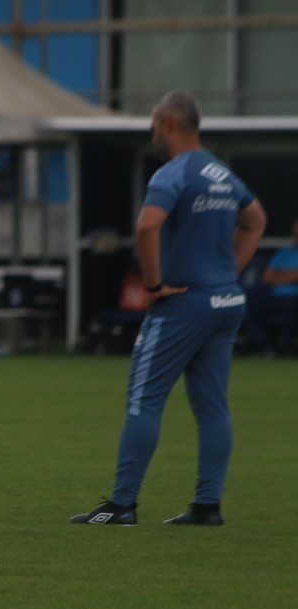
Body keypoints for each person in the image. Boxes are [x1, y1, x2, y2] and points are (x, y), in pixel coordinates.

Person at [71, 91, 267, 527]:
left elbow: (146, 226)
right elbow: (256, 220)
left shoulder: (172, 173)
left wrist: (154, 285)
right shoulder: (221, 172)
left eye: (155, 124)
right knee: (212, 407)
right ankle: (207, 507)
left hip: (182, 304)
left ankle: (122, 505)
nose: (154, 131)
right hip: (225, 302)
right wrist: (227, 273)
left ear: (168, 125)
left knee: (144, 400)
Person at [259, 218, 298, 355]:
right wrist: (293, 276)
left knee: (291, 306)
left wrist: (281, 276)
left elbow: (274, 277)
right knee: (251, 304)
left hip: (294, 299)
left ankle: (284, 346)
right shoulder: (284, 252)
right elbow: (267, 277)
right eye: (295, 231)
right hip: (275, 297)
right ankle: (260, 345)